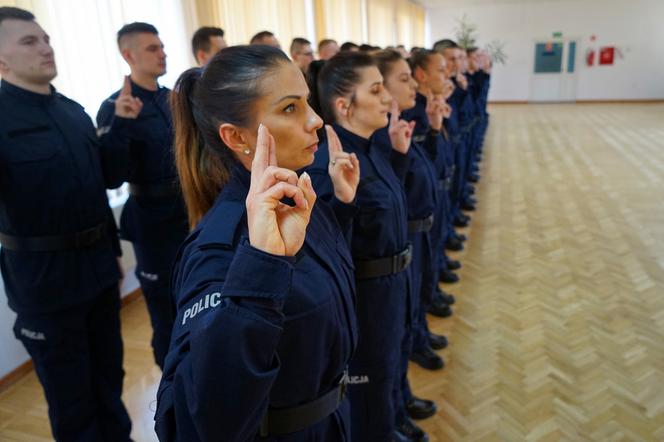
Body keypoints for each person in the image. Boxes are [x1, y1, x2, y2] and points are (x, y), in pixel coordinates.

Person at [154, 44, 360, 442]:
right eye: (290, 108)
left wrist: (344, 208)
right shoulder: (219, 249)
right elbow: (193, 424)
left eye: (307, 102)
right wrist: (261, 264)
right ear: (235, 136)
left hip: (331, 422)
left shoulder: (299, 196)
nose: (315, 120)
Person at [0, 7, 131, 440]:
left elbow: (99, 187)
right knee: (71, 399)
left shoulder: (73, 111)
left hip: (96, 269)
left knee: (109, 379)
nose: (46, 47)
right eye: (29, 42)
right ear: (1, 61)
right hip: (44, 285)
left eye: (46, 38)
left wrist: (112, 254)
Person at [308, 51, 412, 442]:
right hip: (365, 299)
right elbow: (329, 245)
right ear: (343, 105)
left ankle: (391, 426)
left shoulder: (375, 146)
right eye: (376, 90)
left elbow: (384, 212)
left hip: (395, 284)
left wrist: (399, 159)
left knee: (390, 370)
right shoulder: (329, 163)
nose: (387, 98)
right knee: (368, 389)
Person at [97, 22, 189, 370]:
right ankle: (171, 391)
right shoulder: (115, 108)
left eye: (162, 46)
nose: (162, 52)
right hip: (152, 225)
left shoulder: (173, 100)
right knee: (166, 313)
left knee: (194, 300)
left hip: (189, 213)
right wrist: (122, 124)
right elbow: (110, 176)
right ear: (128, 55)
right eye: (152, 48)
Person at [373, 49, 442, 442]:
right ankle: (392, 415)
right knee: (385, 351)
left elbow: (423, 178)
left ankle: (400, 403)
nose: (411, 85)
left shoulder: (397, 130)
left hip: (410, 243)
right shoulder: (371, 144)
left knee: (403, 331)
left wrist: (432, 129)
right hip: (391, 261)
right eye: (400, 80)